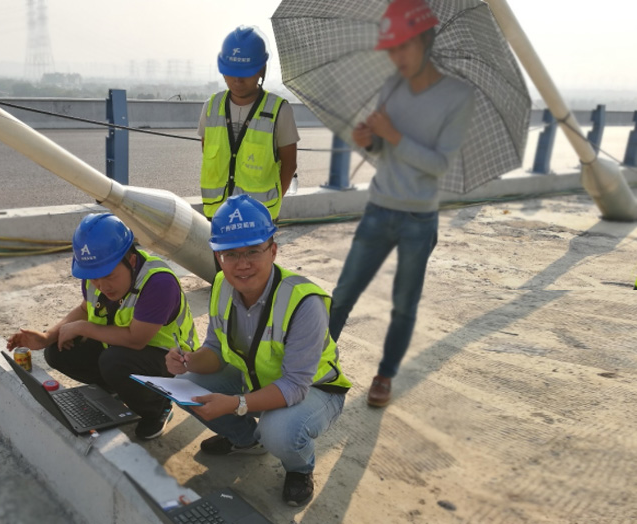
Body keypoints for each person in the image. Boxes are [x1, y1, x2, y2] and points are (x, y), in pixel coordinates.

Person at [328, 0, 475, 408]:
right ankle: (313, 361)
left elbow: (439, 164)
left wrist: (392, 135)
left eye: (404, 46)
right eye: (391, 49)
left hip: (418, 218)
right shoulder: (391, 85)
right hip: (378, 208)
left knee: (404, 305)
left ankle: (384, 376)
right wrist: (370, 140)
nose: (397, 57)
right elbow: (383, 150)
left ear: (427, 40)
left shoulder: (458, 96)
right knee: (343, 293)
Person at [165, 195, 350, 507]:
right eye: (231, 254)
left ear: (273, 250)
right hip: (257, 379)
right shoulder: (222, 286)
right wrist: (188, 361)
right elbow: (215, 351)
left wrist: (236, 404)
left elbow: (295, 385)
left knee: (277, 431)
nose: (243, 264)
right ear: (218, 256)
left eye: (253, 251)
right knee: (186, 385)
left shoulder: (304, 302)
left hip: (315, 389)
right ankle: (246, 442)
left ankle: (299, 467)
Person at [6, 213, 199, 440]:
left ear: (132, 262)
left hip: (171, 360)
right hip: (124, 350)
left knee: (114, 361)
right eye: (94, 277)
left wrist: (82, 328)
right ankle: (116, 390)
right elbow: (85, 308)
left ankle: (158, 407)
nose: (101, 285)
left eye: (108, 276)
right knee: (58, 351)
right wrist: (47, 336)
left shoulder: (158, 282)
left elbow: (136, 339)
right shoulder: (94, 274)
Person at [198, 26, 299, 223]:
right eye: (231, 72)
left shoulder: (279, 111)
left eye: (245, 73)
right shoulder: (211, 107)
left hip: (258, 219)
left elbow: (289, 164)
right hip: (218, 215)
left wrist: (273, 204)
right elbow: (206, 148)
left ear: (261, 69)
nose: (237, 80)